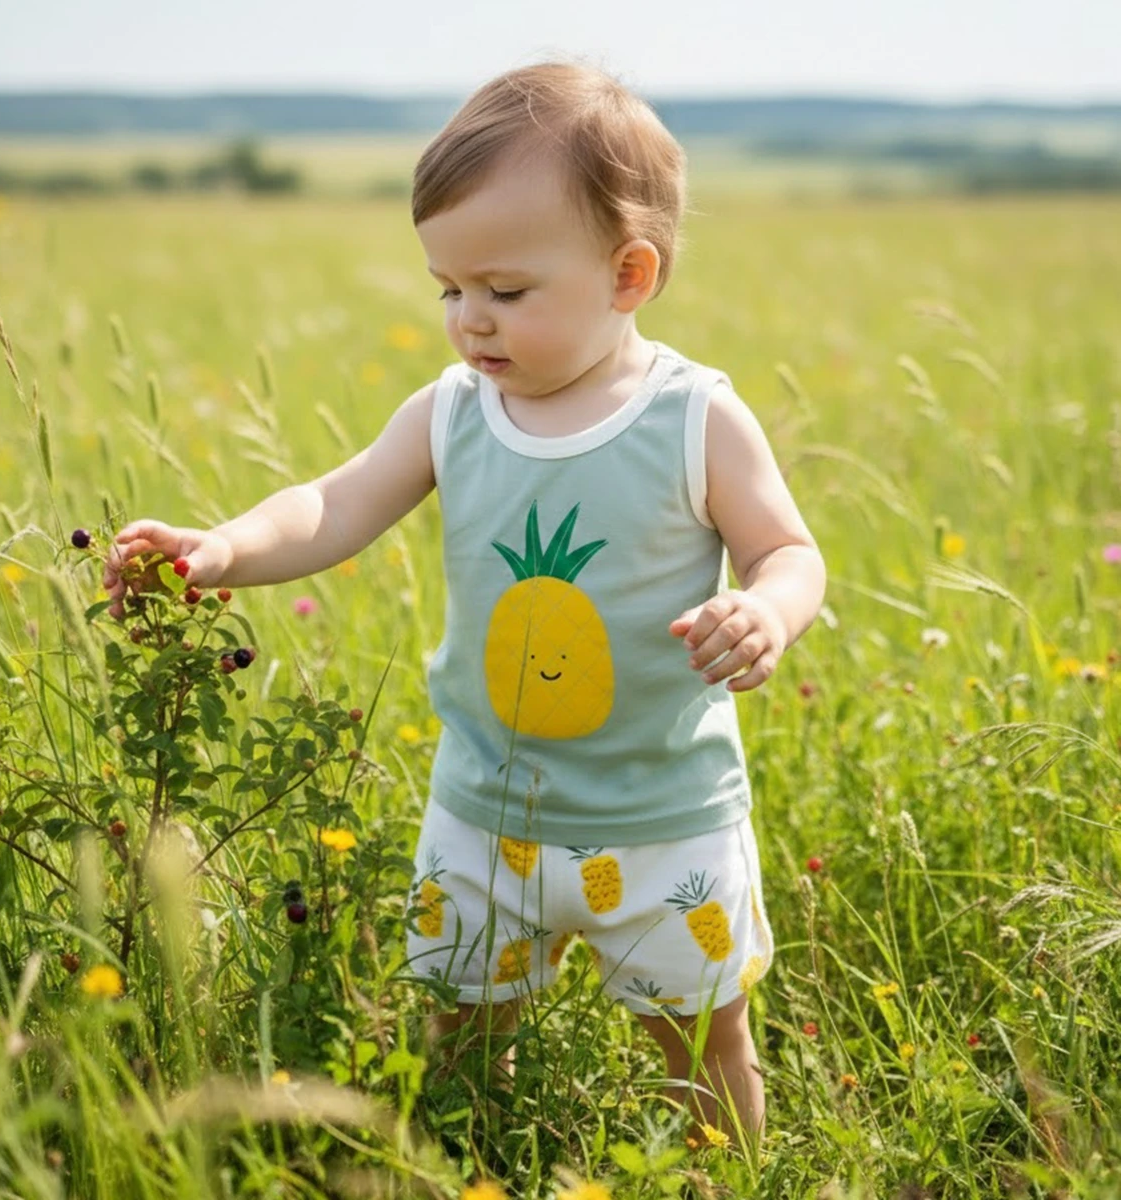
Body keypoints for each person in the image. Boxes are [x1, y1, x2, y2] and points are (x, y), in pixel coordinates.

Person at [102, 61, 826, 1148]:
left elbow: (789, 550)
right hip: (485, 816)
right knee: (459, 1030)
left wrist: (767, 611)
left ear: (630, 273)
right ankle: (472, 1158)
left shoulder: (695, 419)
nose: (468, 321)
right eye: (448, 289)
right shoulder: (454, 411)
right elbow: (331, 504)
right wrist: (224, 549)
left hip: (663, 819)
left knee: (704, 1042)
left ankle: (732, 1174)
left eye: (506, 291)